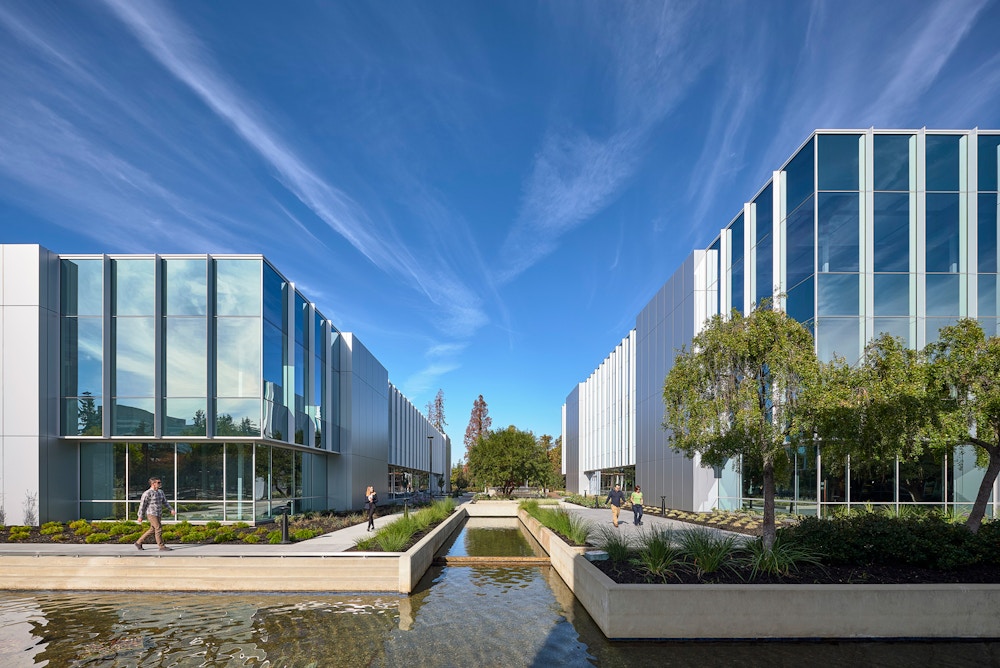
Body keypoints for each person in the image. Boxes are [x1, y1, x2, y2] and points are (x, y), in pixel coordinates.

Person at [135, 477, 176, 551]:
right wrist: (140, 516)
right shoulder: (147, 493)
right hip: (151, 514)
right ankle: (161, 546)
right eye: (158, 482)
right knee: (158, 528)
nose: (160, 484)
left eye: (160, 482)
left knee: (153, 529)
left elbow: (165, 502)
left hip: (158, 513)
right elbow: (142, 505)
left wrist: (171, 509)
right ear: (153, 484)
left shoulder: (160, 492)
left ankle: (139, 542)